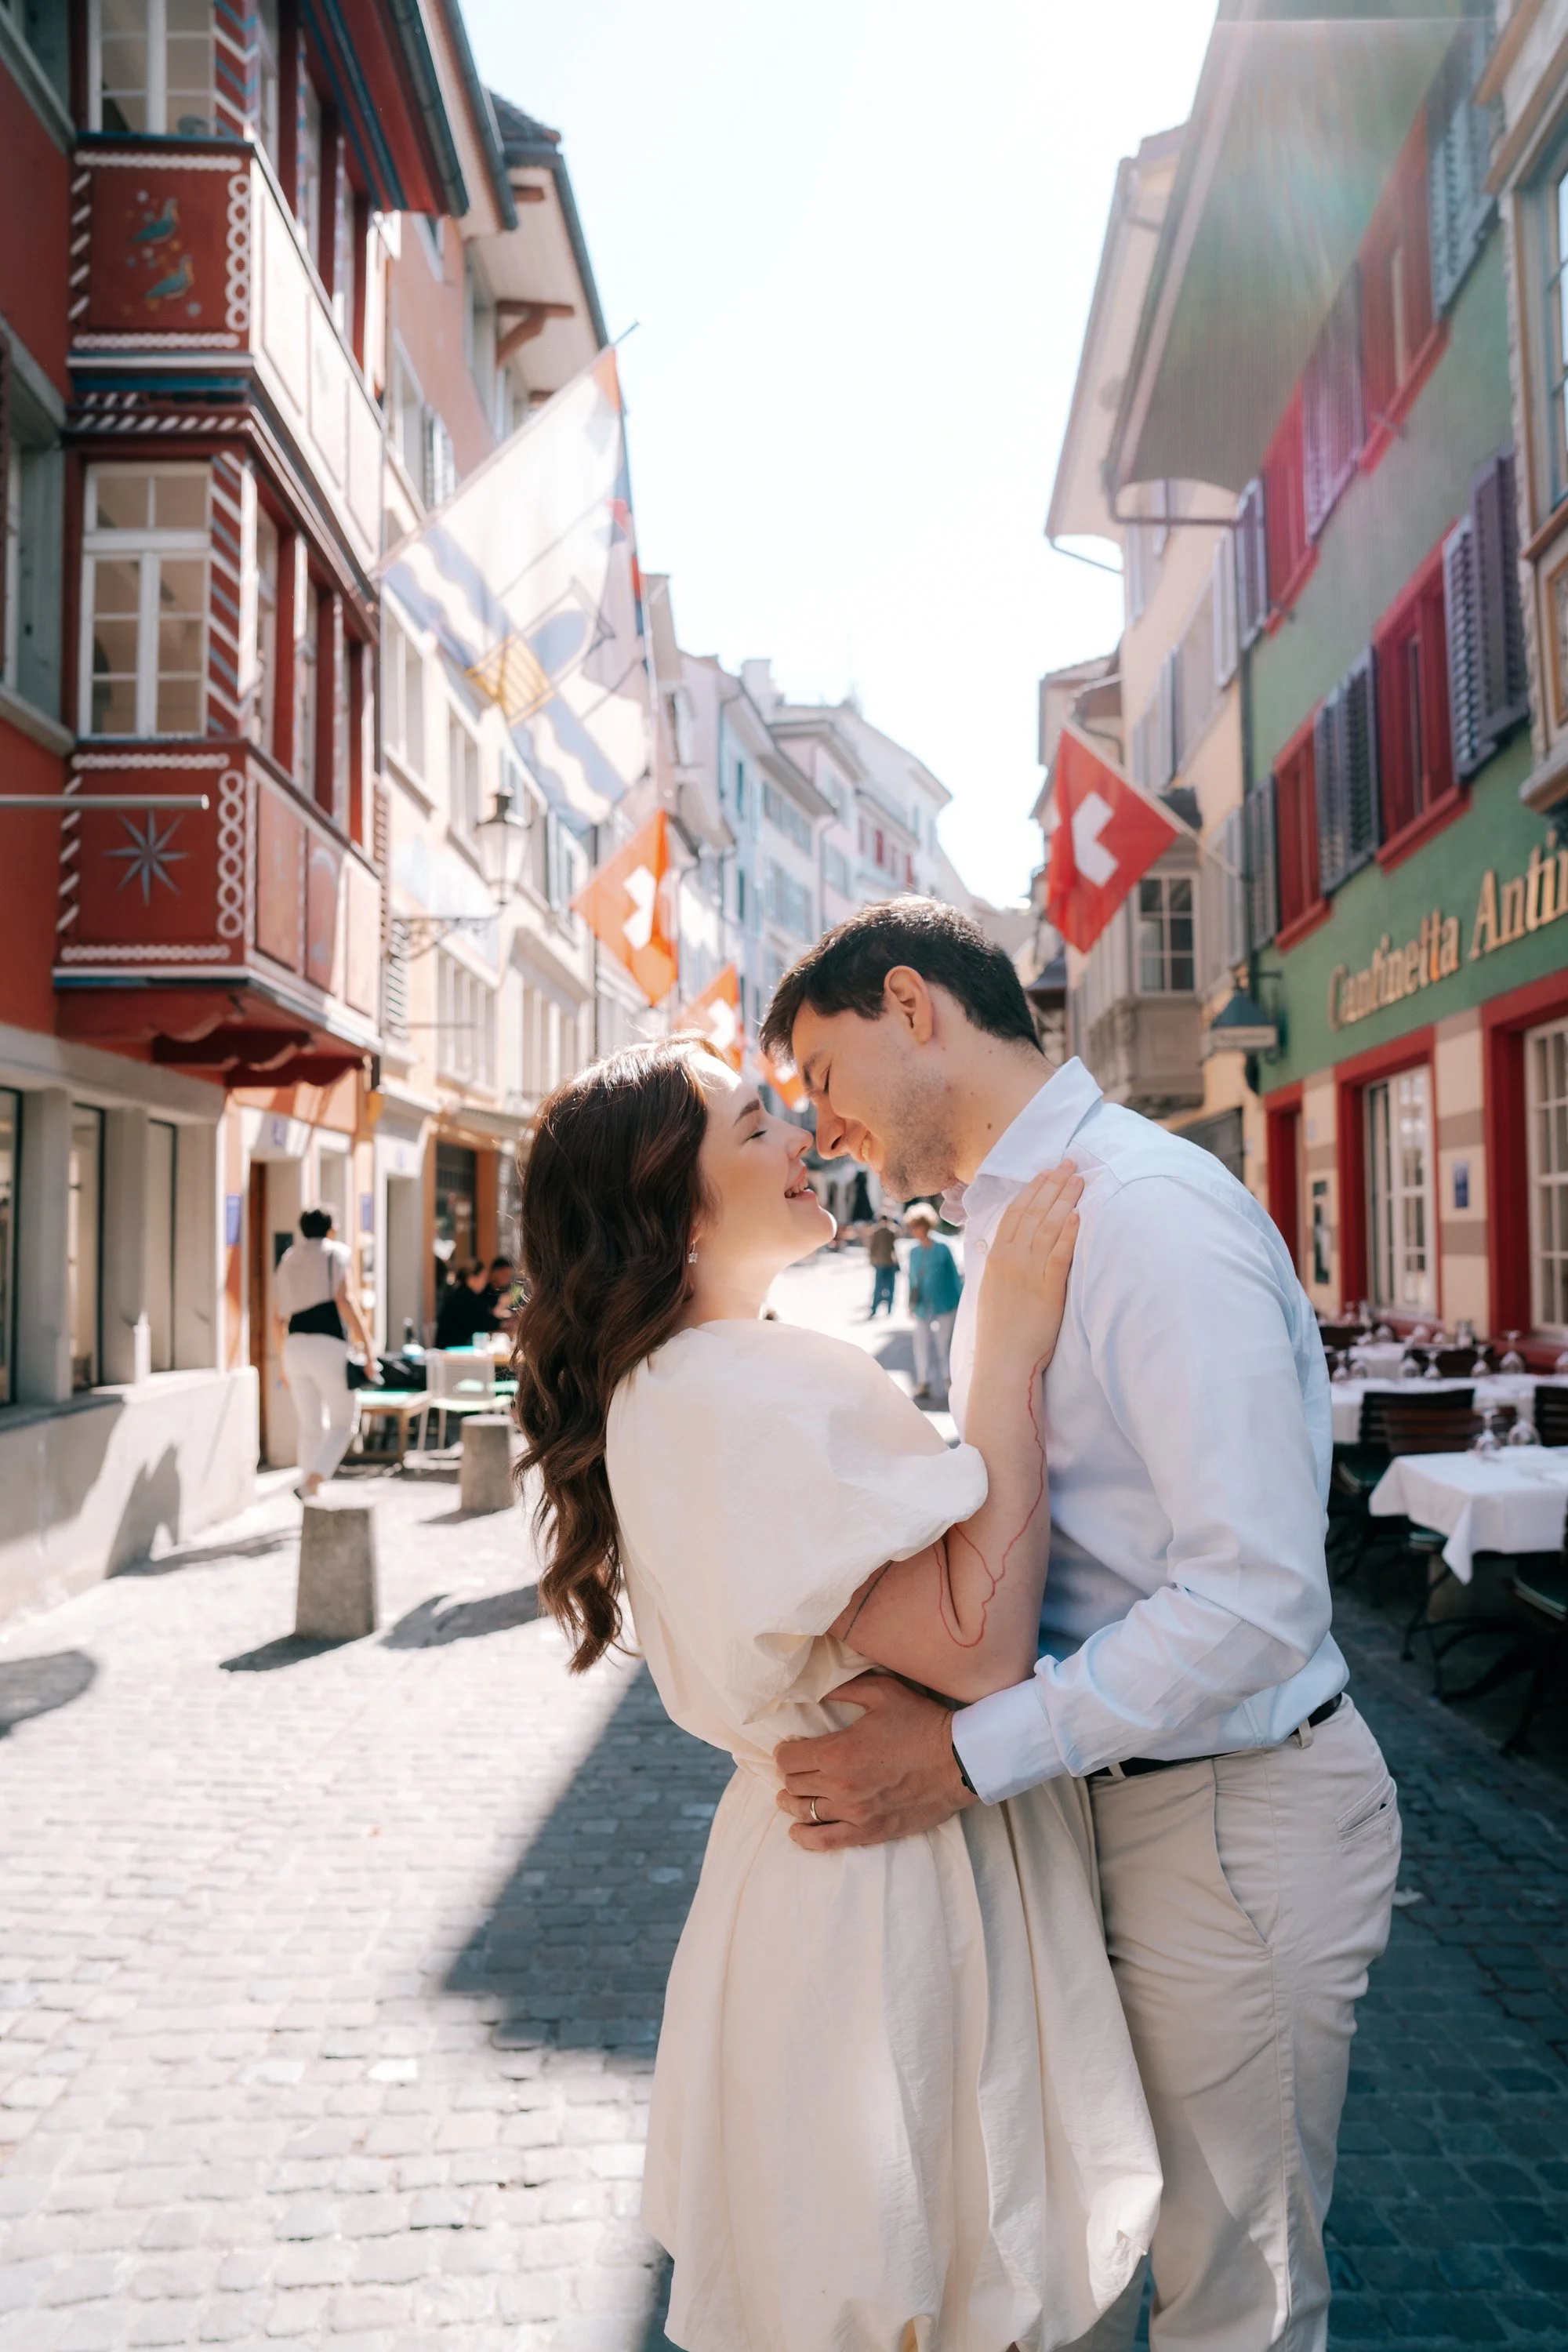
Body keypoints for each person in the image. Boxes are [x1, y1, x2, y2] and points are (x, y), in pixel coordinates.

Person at [759, 898, 1401, 2352]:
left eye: (821, 1072)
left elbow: (1254, 1602)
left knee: (1234, 2295)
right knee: (1088, 2253)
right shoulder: (1024, 1222)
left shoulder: (1144, 1213)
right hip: (1108, 1810)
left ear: (911, 1007)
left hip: (1226, 1824)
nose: (822, 1124)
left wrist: (972, 1752)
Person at [513, 1037, 1160, 2352]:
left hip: (812, 1871)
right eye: (757, 1127)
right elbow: (977, 1647)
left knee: (864, 2281)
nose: (803, 1139)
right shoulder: (746, 1386)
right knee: (926, 2280)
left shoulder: (684, 1385)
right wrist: (1009, 1353)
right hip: (885, 1882)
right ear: (673, 1211)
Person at [272, 1205, 379, 1498]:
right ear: (331, 1228)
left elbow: (277, 1317)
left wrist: (283, 1358)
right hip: (328, 1343)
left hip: (294, 1346)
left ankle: (309, 1493)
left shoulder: (288, 1259)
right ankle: (313, 1482)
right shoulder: (337, 1253)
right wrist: (368, 1348)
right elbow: (345, 1300)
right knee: (344, 1422)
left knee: (310, 1426)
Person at [906, 1202, 962, 1400]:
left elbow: (954, 1276)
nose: (914, 1231)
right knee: (921, 1343)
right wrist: (910, 1304)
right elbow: (911, 1279)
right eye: (912, 1227)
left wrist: (961, 1303)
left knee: (944, 1344)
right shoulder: (913, 1252)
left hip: (946, 1302)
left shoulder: (943, 1248)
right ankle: (924, 1382)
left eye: (916, 1226)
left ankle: (949, 1381)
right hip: (922, 1305)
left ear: (926, 1225)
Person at [434, 1260, 498, 1349]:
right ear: (471, 1278)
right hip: (452, 1350)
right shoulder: (465, 1298)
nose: (485, 1282)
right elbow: (485, 1323)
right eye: (483, 1278)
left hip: (452, 1347)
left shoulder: (462, 1293)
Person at [866, 1211, 898, 1316]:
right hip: (888, 1262)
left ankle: (875, 1308)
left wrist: (872, 1259)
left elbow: (872, 1248)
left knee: (879, 1286)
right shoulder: (890, 1231)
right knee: (889, 1286)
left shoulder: (876, 1231)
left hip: (882, 1262)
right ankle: (887, 1308)